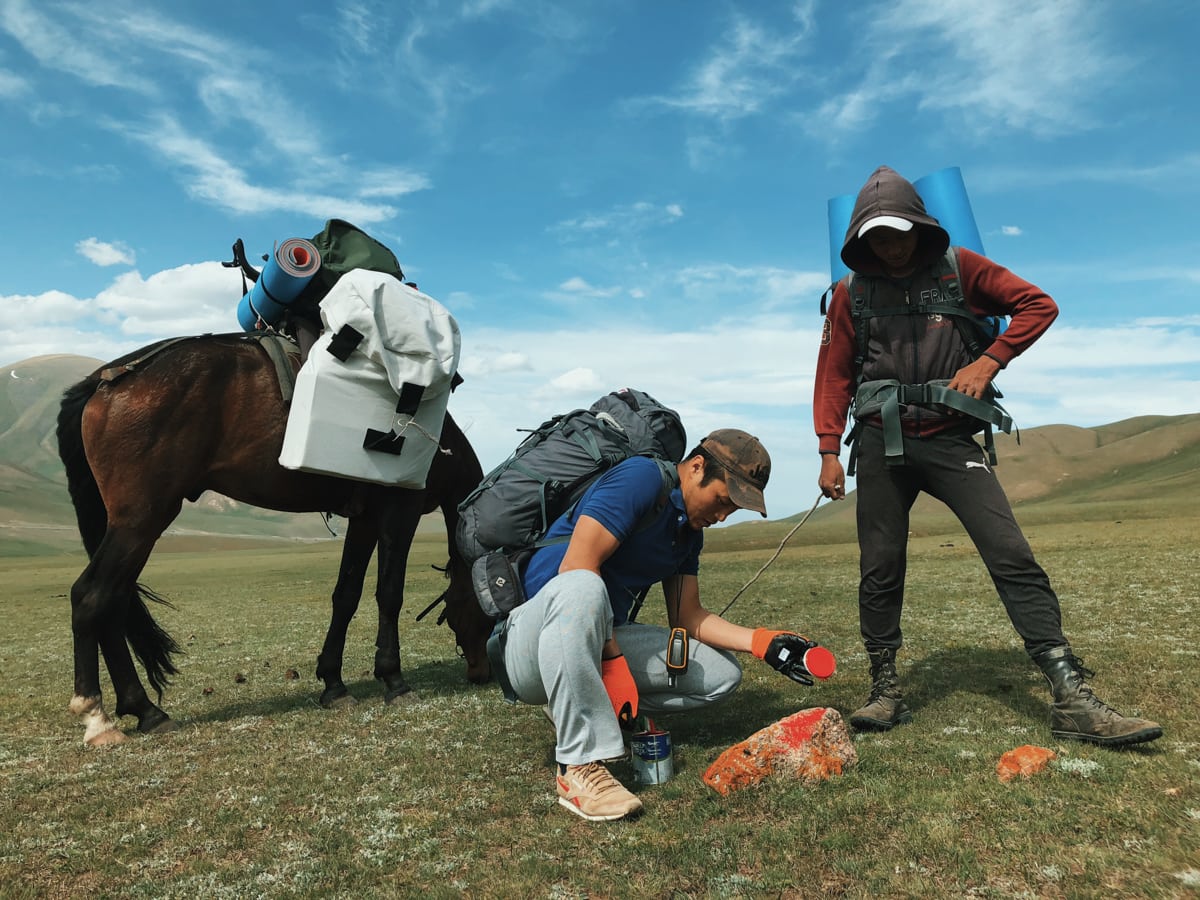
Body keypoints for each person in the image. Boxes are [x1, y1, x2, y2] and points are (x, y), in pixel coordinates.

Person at [813, 165, 1162, 748]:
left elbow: (1037, 305)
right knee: (880, 566)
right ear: (861, 240)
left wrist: (990, 360)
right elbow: (832, 375)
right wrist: (829, 450)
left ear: (920, 227)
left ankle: (1070, 693)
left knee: (1010, 553)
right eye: (878, 237)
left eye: (899, 233)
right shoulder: (851, 294)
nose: (892, 247)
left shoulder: (960, 269)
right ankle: (884, 688)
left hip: (950, 437)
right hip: (879, 441)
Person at [491, 429, 828, 822]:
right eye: (722, 500)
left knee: (720, 676)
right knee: (584, 585)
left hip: (597, 641)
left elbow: (689, 617)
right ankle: (578, 768)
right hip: (529, 642)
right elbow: (576, 566)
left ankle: (582, 704)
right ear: (697, 467)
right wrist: (615, 662)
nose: (721, 517)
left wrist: (763, 642)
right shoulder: (641, 479)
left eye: (732, 511)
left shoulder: (688, 533)